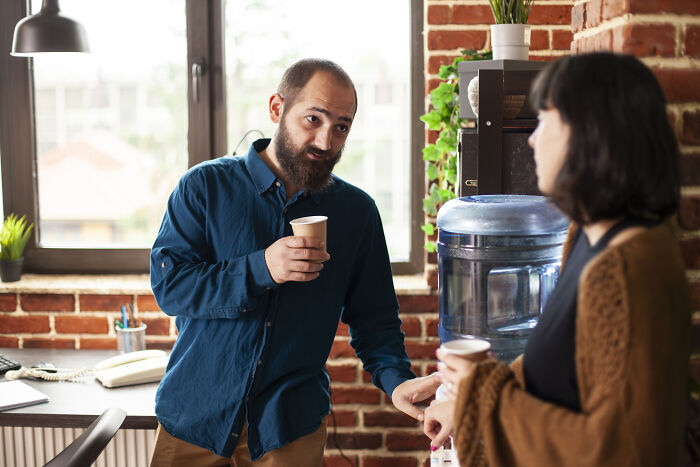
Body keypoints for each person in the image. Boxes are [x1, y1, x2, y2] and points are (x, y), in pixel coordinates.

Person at [149, 58, 439, 466]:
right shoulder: (204, 186)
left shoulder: (356, 212)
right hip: (193, 419)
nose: (326, 140)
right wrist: (261, 268)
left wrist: (397, 383)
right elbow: (171, 286)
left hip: (289, 430)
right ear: (276, 109)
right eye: (313, 119)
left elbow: (375, 321)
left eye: (341, 127)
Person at [423, 52, 691, 466]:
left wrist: (481, 392)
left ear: (591, 134)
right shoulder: (586, 236)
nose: (531, 137)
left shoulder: (626, 268)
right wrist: (464, 404)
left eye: (545, 118)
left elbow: (621, 450)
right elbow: (558, 362)